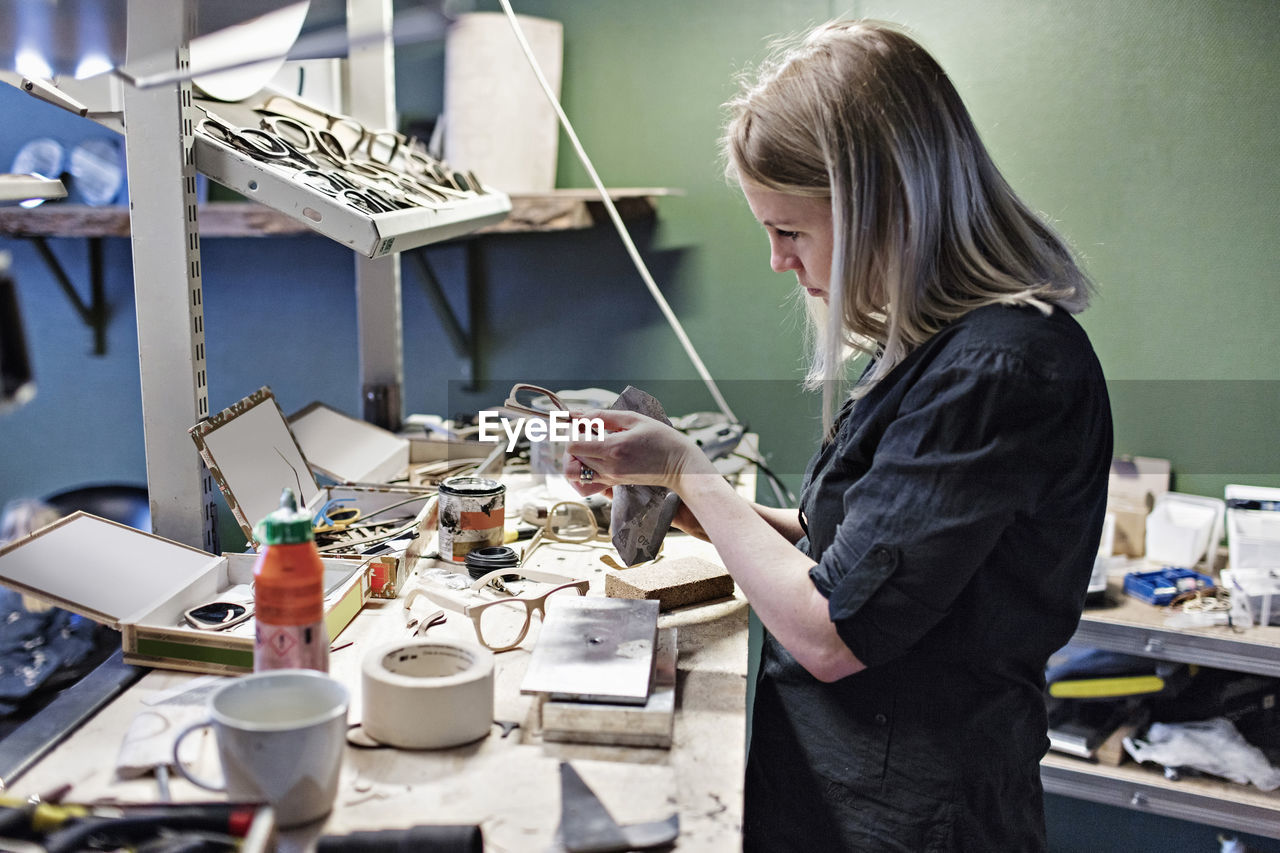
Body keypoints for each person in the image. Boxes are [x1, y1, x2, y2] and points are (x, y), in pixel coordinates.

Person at [566, 19, 1112, 853]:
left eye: (791, 230)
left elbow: (834, 631)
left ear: (885, 206)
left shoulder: (997, 368)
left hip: (912, 811)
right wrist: (683, 501)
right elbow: (853, 555)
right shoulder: (937, 339)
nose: (780, 260)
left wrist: (690, 469)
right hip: (843, 780)